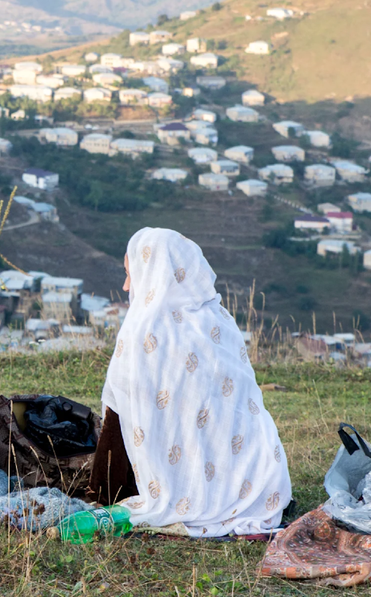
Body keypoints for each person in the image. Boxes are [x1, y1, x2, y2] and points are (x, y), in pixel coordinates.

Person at [89, 227, 291, 536]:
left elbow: (115, 426)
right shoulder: (220, 322)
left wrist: (103, 494)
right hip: (262, 481)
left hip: (184, 486)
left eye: (132, 274)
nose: (126, 285)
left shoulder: (143, 333)